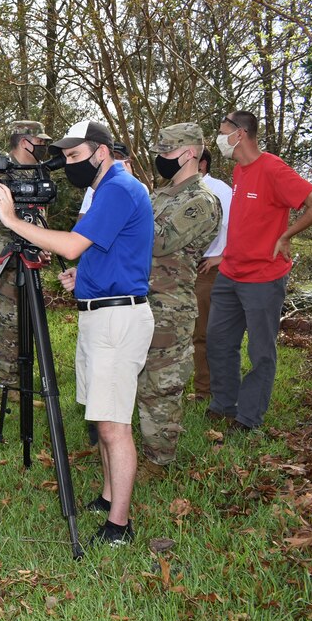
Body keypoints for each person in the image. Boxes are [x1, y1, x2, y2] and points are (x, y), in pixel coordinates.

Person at [0, 119, 153, 548]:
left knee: (115, 425)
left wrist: (11, 219)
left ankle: (119, 525)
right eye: (66, 157)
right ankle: (106, 496)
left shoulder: (118, 188)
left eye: (77, 156)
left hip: (118, 320)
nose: (70, 164)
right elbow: (107, 249)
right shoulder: (108, 190)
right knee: (102, 416)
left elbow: (72, 244)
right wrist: (82, 275)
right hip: (102, 313)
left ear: (101, 151)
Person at [207, 111, 312, 431]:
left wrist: (287, 235)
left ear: (240, 134)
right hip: (230, 273)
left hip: (263, 277)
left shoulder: (273, 168)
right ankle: (224, 404)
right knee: (219, 341)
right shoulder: (238, 170)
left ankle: (248, 418)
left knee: (261, 351)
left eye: (223, 132)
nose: (219, 138)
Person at [136, 124, 221, 478]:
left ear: (189, 154)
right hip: (138, 298)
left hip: (169, 307)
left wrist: (127, 211)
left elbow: (159, 242)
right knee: (134, 375)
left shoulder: (199, 201)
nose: (160, 159)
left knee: (161, 384)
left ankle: (159, 459)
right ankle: (124, 445)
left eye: (166, 153)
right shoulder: (160, 195)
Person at [0, 120, 51, 401]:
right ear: (24, 141)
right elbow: (4, 223)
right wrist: (34, 241)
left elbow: (38, 216)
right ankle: (9, 387)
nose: (44, 147)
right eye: (40, 142)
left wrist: (43, 243)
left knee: (19, 322)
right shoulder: (0, 174)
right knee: (10, 323)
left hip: (30, 252)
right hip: (9, 257)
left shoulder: (37, 172)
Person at [190, 148, 233, 403]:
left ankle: (209, 392)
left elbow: (238, 226)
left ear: (201, 164)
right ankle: (204, 388)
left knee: (206, 334)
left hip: (210, 271)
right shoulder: (179, 191)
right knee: (196, 334)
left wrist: (224, 255)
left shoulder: (219, 191)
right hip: (186, 270)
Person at [77, 142, 135, 220]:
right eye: (112, 157)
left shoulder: (140, 188)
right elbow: (82, 217)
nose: (115, 161)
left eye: (119, 157)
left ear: (128, 161)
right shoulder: (93, 188)